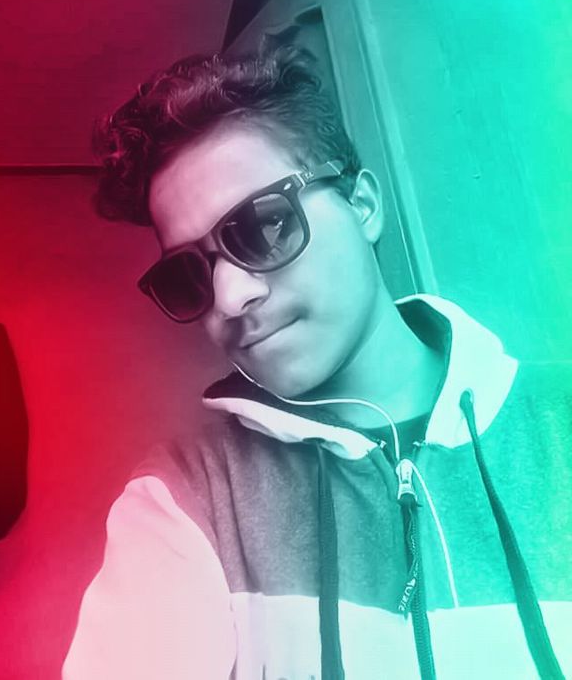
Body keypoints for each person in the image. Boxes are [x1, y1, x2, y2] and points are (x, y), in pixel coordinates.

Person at [63, 46, 571, 679]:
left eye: (264, 226)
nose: (229, 297)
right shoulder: (187, 496)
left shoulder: (560, 425)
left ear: (363, 205)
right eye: (188, 274)